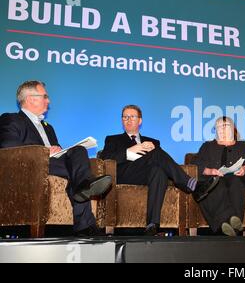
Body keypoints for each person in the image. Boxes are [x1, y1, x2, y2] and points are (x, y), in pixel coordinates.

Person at [0, 80, 112, 236]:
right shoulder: (11, 119)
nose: (49, 100)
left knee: (78, 151)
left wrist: (61, 151)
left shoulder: (48, 127)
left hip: (54, 163)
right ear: (31, 98)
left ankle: (84, 187)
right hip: (32, 165)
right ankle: (85, 222)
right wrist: (45, 151)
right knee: (77, 175)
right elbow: (9, 148)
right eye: (45, 96)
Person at [99, 105, 219, 236]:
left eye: (132, 117)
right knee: (156, 154)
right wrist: (130, 151)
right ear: (122, 120)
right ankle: (192, 185)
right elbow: (105, 158)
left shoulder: (153, 141)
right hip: (125, 175)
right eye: (125, 117)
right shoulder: (112, 139)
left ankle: (153, 224)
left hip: (146, 175)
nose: (128, 119)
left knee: (159, 172)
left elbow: (162, 162)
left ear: (140, 121)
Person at [193, 116, 245, 236]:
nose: (221, 129)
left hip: (237, 178)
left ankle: (224, 226)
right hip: (215, 179)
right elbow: (197, 164)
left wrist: (244, 168)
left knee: (236, 183)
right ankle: (232, 223)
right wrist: (211, 171)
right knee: (217, 184)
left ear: (233, 128)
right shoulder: (207, 146)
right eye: (218, 127)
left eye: (225, 126)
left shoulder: (244, 145)